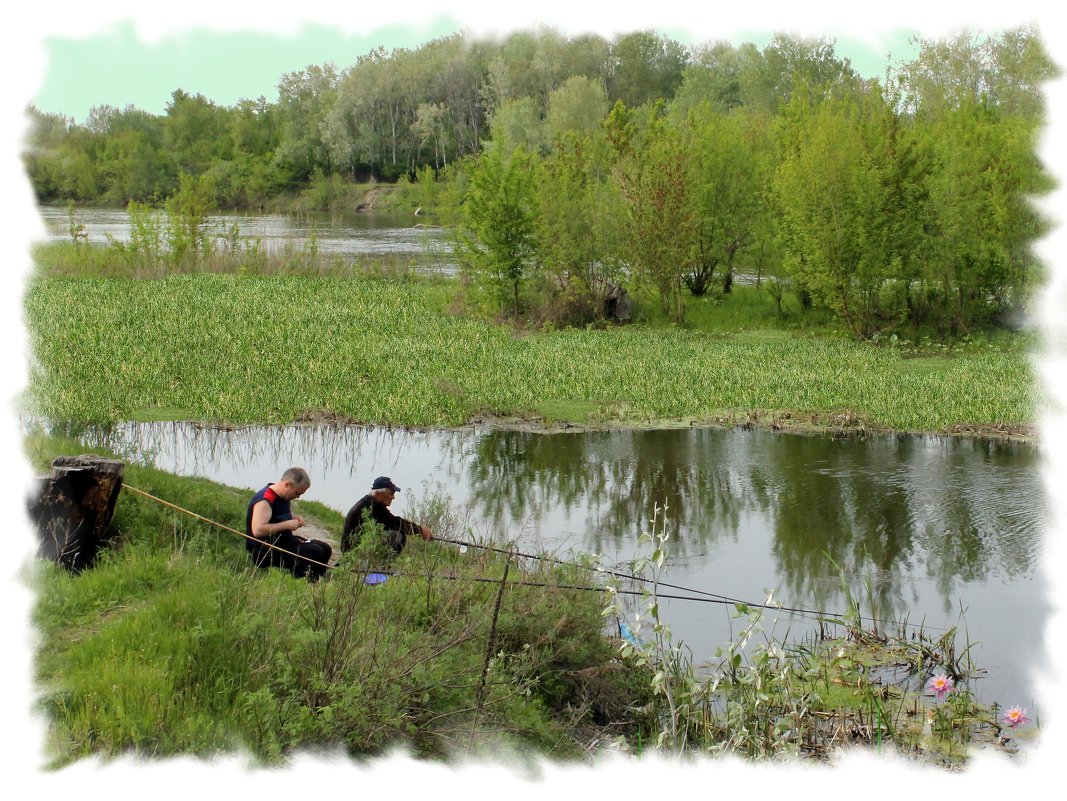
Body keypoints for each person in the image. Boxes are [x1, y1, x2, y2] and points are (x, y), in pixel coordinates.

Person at [246, 467, 332, 581]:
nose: (297, 497)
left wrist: (295, 518)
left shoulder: (283, 495)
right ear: (287, 484)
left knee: (325, 548)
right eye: (297, 493)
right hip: (264, 549)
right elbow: (258, 530)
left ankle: (320, 579)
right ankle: (302, 583)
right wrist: (287, 525)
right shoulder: (265, 500)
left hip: (284, 542)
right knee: (314, 551)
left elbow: (279, 516)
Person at [341, 476, 433, 555]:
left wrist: (419, 530)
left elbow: (392, 522)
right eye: (391, 494)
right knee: (398, 535)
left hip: (353, 547)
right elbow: (396, 522)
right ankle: (379, 566)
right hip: (352, 550)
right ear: (378, 494)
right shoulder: (373, 507)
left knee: (394, 532)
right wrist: (420, 530)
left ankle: (376, 564)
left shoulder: (372, 502)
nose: (393, 497)